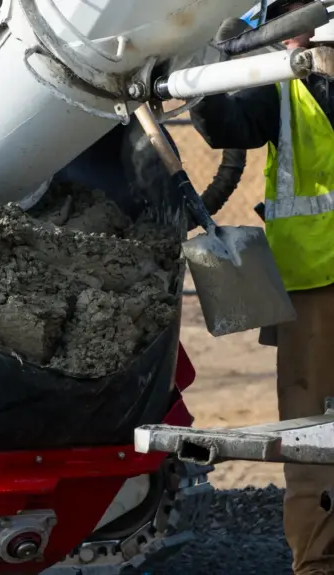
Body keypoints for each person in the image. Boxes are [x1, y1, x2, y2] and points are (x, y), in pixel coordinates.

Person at [189, 1, 334, 573]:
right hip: (313, 286)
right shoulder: (283, 87)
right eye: (284, 19)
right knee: (312, 435)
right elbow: (227, 125)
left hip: (315, 284)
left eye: (300, 18)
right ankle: (318, 563)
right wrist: (206, 75)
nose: (291, 32)